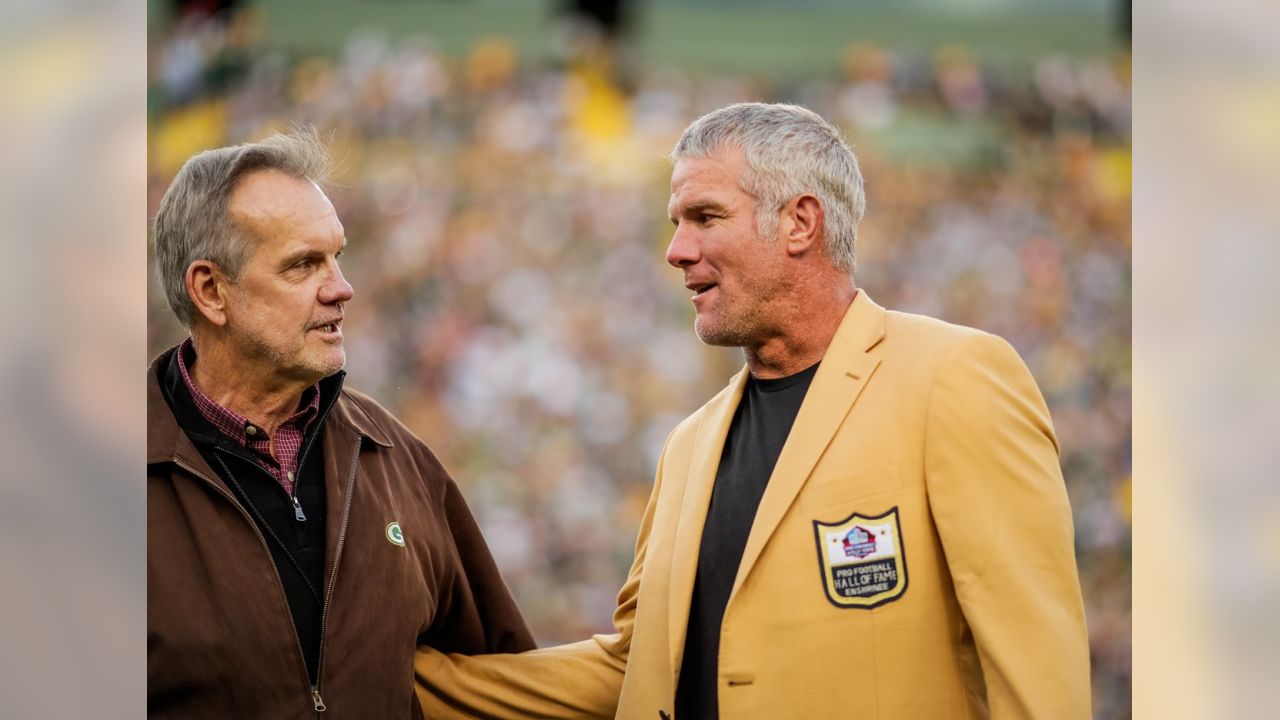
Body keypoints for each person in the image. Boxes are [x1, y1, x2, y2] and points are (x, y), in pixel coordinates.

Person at [413, 102, 1092, 718]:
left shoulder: (955, 377)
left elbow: (1034, 670)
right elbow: (636, 669)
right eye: (676, 223)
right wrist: (390, 681)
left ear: (799, 222)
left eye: (705, 217)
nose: (677, 250)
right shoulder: (689, 444)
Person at [148, 130, 536, 718]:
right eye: (303, 265)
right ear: (210, 290)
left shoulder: (395, 456)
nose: (342, 288)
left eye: (338, 256)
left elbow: (502, 685)